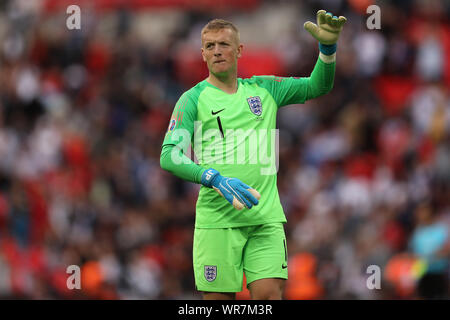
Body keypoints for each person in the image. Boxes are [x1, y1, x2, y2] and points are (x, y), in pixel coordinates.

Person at [160, 10, 346, 300]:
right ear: (202, 54)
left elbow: (317, 85)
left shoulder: (265, 89)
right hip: (217, 221)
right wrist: (213, 178)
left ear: (239, 50)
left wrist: (328, 50)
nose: (217, 51)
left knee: (269, 295)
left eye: (223, 44)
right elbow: (170, 155)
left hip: (265, 218)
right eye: (210, 46)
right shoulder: (193, 99)